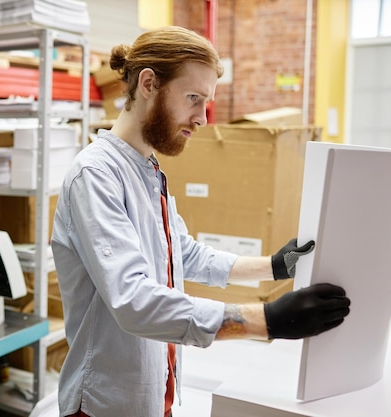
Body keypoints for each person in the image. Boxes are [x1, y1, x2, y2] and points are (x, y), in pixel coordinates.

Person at [50, 26, 351, 417]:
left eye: (205, 102)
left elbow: (183, 254)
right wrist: (267, 320)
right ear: (149, 84)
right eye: (193, 98)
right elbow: (134, 302)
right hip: (103, 405)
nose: (202, 118)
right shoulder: (95, 176)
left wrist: (273, 267)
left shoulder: (147, 169)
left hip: (155, 396)